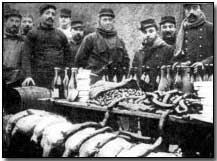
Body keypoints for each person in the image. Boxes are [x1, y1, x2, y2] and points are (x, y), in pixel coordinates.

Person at [75, 8, 130, 84]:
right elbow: (79, 61)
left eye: (110, 20)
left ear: (113, 21)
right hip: (95, 81)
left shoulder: (120, 41)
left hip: (114, 81)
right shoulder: (90, 39)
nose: (108, 22)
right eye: (105, 20)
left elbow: (126, 62)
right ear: (99, 21)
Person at [22, 4, 71, 88]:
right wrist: (28, 76)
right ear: (40, 16)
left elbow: (68, 57)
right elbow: (26, 56)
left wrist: (67, 75)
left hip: (58, 79)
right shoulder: (33, 34)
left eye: (53, 14)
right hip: (38, 79)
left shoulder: (60, 35)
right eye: (47, 13)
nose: (50, 16)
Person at [132, 18, 173, 91]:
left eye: (151, 31)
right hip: (142, 92)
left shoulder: (167, 49)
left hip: (161, 91)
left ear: (157, 32)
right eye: (145, 32)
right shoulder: (139, 53)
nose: (148, 35)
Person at [174, 3, 213, 72]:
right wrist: (179, 63)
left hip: (207, 73)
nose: (191, 12)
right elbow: (178, 55)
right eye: (188, 9)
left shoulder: (211, 28)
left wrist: (204, 63)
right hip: (187, 73)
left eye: (195, 8)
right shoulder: (182, 30)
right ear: (185, 11)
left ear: (200, 10)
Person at [3, 9, 27, 88]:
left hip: (15, 81)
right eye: (11, 20)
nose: (14, 24)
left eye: (17, 21)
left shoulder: (23, 41)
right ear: (5, 22)